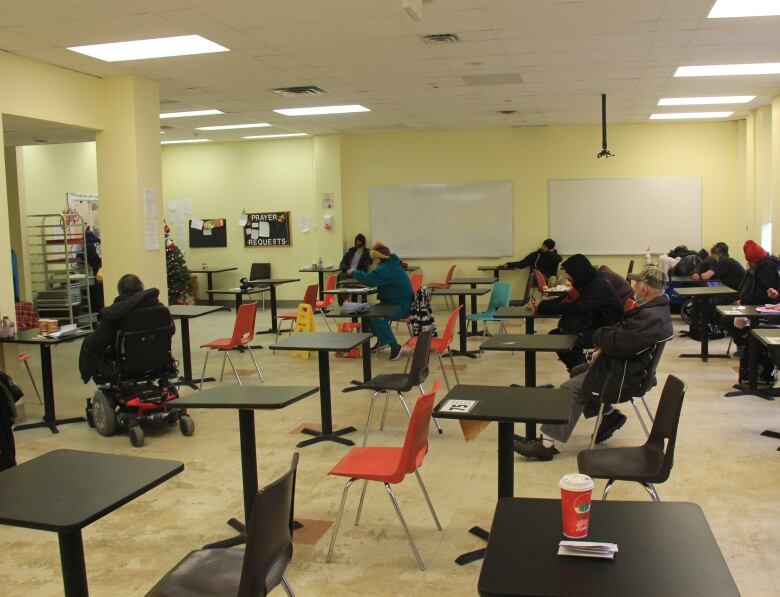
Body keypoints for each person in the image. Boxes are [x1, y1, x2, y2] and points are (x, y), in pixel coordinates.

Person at [515, 266, 674, 461]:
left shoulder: (650, 318)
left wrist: (600, 336)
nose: (634, 287)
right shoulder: (658, 310)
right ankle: (608, 416)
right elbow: (622, 335)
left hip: (624, 375)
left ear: (644, 289)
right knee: (578, 371)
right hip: (629, 368)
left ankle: (546, 444)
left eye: (637, 283)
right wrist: (609, 336)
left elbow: (619, 343)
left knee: (570, 388)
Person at [534, 254, 622, 372]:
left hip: (608, 330)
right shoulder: (587, 282)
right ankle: (575, 370)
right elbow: (566, 298)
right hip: (595, 324)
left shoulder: (598, 286)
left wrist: (543, 307)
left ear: (577, 271)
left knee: (571, 342)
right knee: (556, 336)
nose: (566, 277)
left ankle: (585, 376)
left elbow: (574, 307)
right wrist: (542, 305)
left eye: (568, 273)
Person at [79, 274, 173, 384]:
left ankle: (86, 377)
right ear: (141, 289)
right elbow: (171, 330)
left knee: (88, 344)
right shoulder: (160, 309)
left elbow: (97, 342)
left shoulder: (114, 313)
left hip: (127, 365)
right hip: (159, 359)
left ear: (120, 291)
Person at [347, 242, 413, 360]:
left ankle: (394, 346)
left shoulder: (387, 268)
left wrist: (354, 272)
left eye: (374, 258)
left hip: (400, 306)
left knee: (377, 317)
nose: (373, 261)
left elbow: (370, 280)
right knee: (368, 313)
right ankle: (383, 340)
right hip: (394, 302)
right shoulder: (392, 264)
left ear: (379, 257)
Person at [731, 241, 779, 384]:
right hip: (760, 308)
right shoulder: (762, 266)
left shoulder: (766, 268)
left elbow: (763, 294)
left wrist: (744, 300)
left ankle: (749, 355)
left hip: (767, 312)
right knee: (738, 321)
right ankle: (747, 353)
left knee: (739, 322)